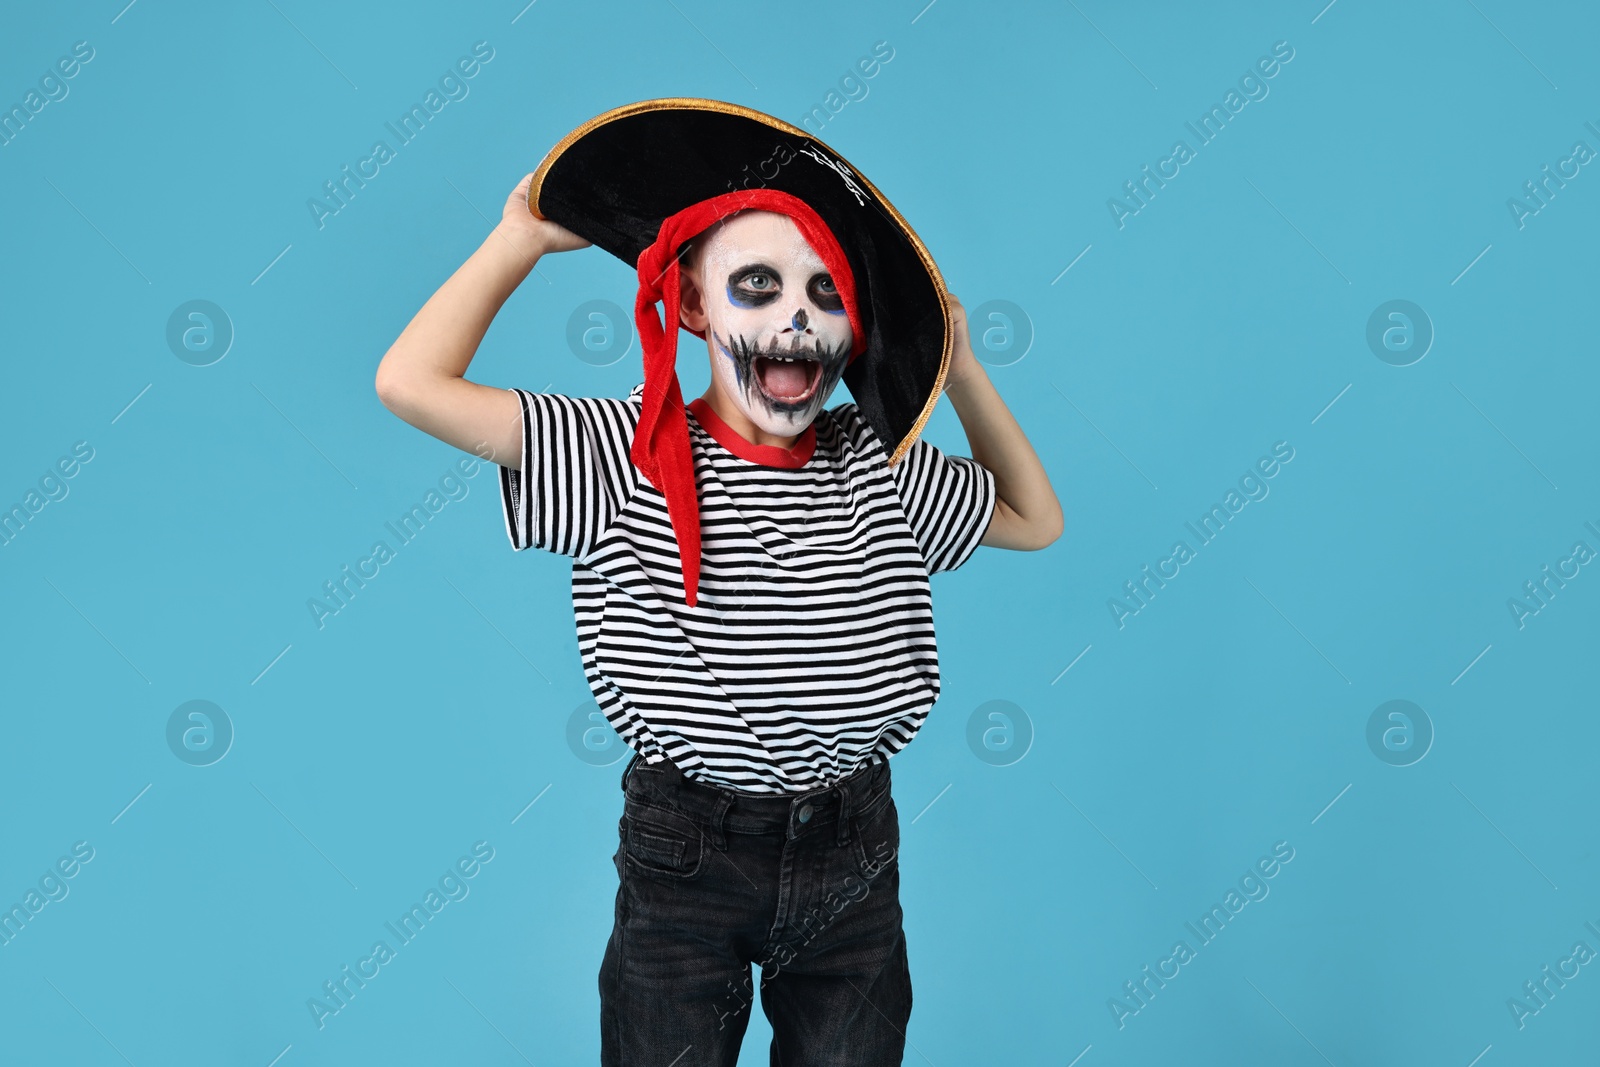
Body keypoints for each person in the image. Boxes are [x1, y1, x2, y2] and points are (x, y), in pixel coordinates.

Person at [375, 99, 1062, 1066]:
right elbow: (409, 383)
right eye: (758, 284)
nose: (796, 316)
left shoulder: (872, 460)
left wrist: (954, 366)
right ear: (693, 307)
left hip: (854, 849)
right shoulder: (623, 449)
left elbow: (1036, 521)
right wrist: (517, 240)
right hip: (686, 846)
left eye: (828, 293)